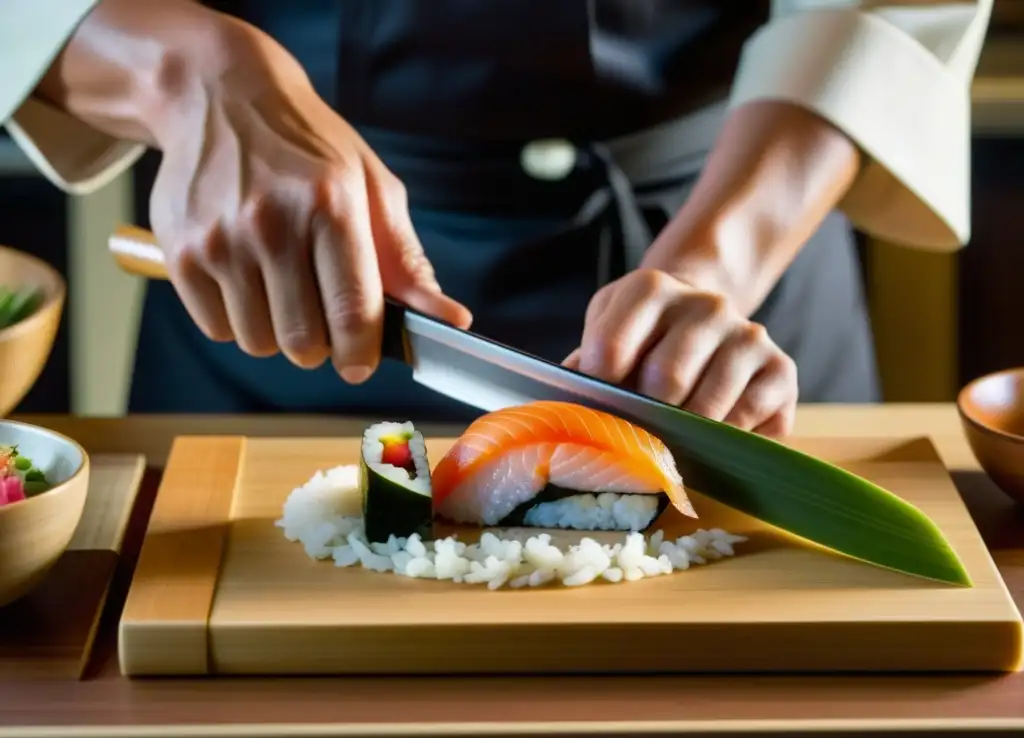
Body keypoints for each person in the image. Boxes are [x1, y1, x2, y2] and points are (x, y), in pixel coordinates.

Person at [1, 0, 992, 434]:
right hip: (270, 274)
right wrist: (185, 71)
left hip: (737, 257)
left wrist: (714, 267)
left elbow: (880, 10)